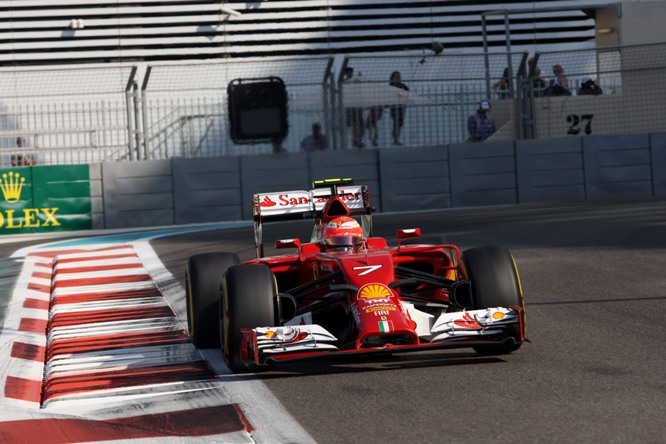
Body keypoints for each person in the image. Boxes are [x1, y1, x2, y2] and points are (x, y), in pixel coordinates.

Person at [343, 67, 365, 149]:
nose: (350, 74)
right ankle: (355, 141)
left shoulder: (355, 81)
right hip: (350, 107)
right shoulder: (344, 82)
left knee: (360, 124)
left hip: (357, 106)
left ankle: (357, 140)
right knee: (355, 124)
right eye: (348, 72)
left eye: (351, 72)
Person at [389, 71, 409, 146]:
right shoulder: (390, 86)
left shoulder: (403, 86)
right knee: (396, 123)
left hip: (402, 107)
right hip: (394, 108)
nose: (398, 78)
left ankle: (397, 139)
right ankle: (395, 139)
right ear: (392, 78)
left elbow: (408, 93)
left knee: (400, 124)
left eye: (399, 77)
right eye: (396, 77)